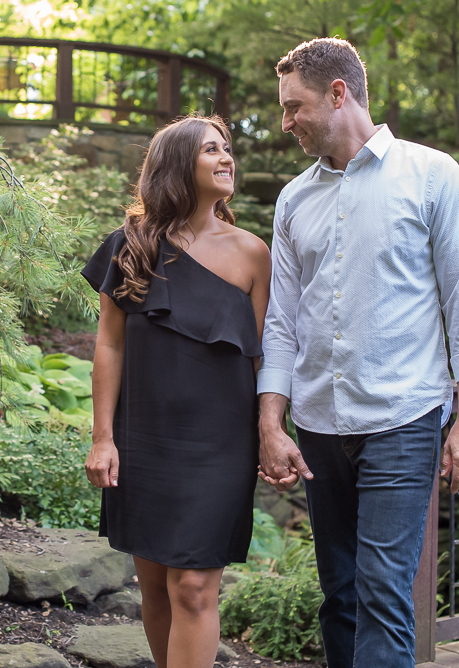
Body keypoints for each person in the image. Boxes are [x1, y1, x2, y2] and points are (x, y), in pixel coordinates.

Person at [256, 38, 459, 668]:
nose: (286, 124)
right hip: (318, 425)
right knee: (339, 594)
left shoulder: (433, 174)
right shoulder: (292, 201)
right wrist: (270, 421)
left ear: (338, 94)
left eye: (293, 107)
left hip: (402, 419)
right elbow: (281, 321)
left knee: (384, 595)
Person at [81, 115, 271, 668]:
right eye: (211, 149)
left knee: (193, 586)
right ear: (177, 164)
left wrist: (270, 432)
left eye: (227, 149)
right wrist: (102, 438)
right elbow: (109, 348)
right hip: (144, 441)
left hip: (220, 447)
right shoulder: (130, 246)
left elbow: (264, 358)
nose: (226, 157)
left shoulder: (253, 254)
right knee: (158, 585)